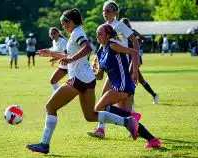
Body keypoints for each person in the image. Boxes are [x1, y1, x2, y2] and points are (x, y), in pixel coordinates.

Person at [26, 8, 139, 154]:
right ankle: (127, 121)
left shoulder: (77, 33)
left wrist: (71, 59)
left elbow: (87, 48)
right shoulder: (76, 33)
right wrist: (51, 54)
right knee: (90, 116)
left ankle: (44, 144)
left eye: (64, 23)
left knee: (50, 107)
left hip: (78, 78)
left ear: (71, 22)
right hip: (87, 79)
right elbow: (70, 53)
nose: (63, 27)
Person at [88, 0, 141, 139]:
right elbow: (103, 45)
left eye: (108, 11)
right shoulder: (105, 27)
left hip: (121, 66)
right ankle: (133, 120)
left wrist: (134, 68)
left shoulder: (120, 26)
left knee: (109, 98)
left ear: (116, 13)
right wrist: (95, 59)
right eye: (104, 11)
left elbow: (135, 42)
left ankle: (101, 129)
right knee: (122, 101)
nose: (105, 13)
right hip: (111, 66)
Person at [120, 17, 159, 105]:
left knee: (129, 77)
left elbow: (143, 39)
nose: (123, 26)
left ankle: (131, 102)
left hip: (135, 57)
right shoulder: (121, 33)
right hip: (127, 57)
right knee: (140, 80)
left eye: (124, 24)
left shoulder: (132, 32)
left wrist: (137, 46)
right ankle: (154, 95)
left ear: (127, 24)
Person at [38, 27, 68, 92]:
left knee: (76, 86)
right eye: (51, 34)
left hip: (70, 65)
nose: (52, 35)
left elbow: (66, 55)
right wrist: (54, 58)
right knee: (53, 81)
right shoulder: (54, 41)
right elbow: (57, 52)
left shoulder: (62, 41)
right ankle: (57, 97)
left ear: (58, 33)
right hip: (63, 66)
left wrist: (54, 57)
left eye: (54, 33)